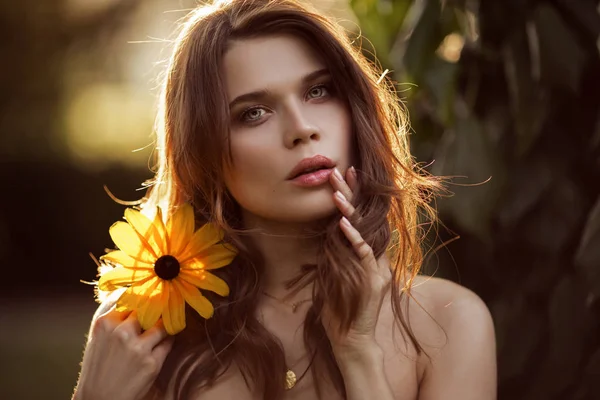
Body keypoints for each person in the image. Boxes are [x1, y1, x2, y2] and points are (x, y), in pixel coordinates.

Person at [72, 0, 497, 399]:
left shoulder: (450, 323)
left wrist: (360, 355)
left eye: (319, 91)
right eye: (252, 113)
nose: (302, 128)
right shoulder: (151, 334)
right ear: (203, 155)